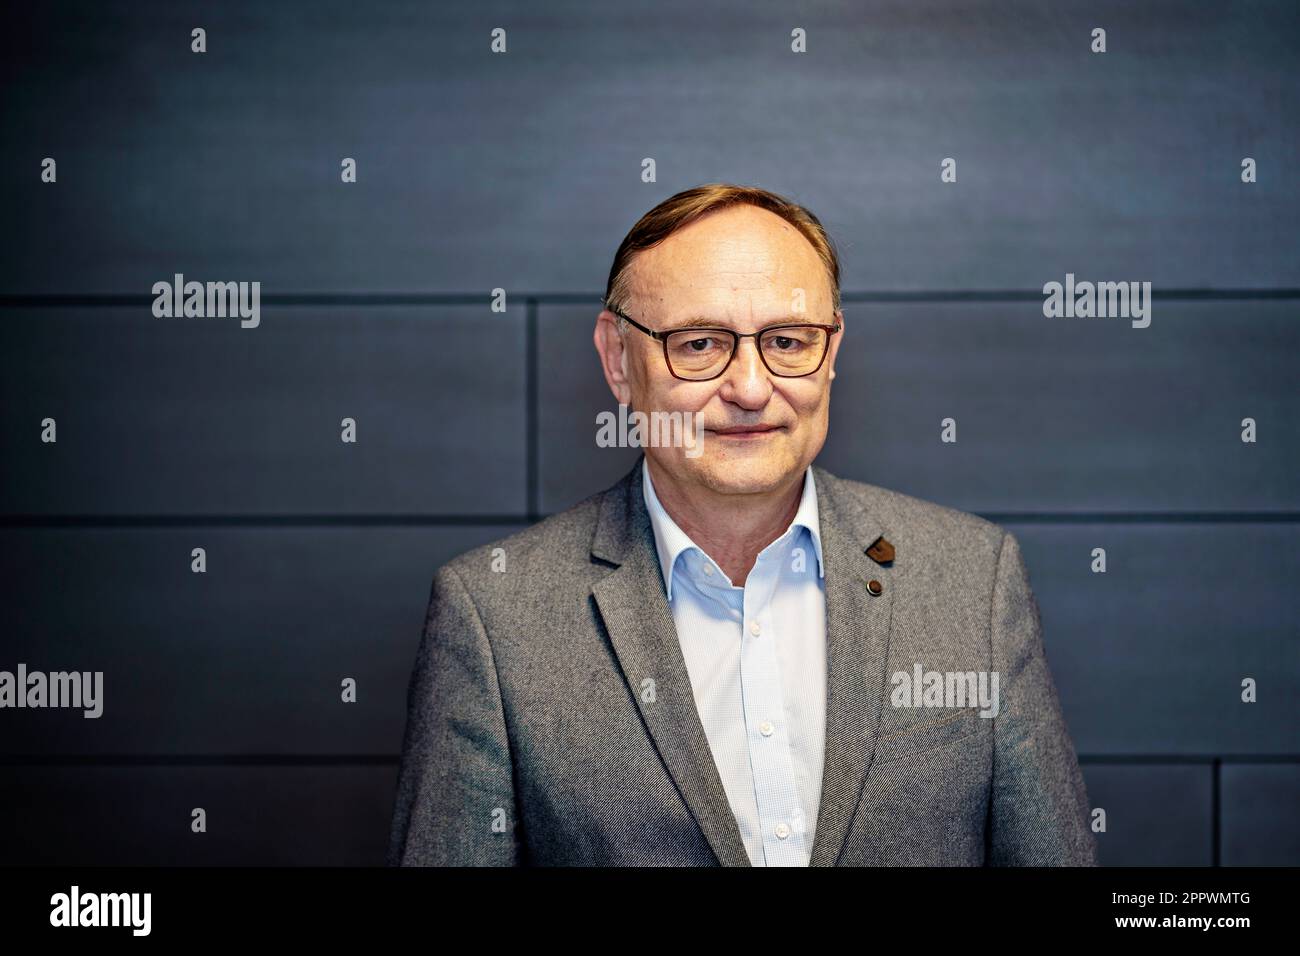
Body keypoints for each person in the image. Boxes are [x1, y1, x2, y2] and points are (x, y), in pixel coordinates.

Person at [388, 183, 1097, 866]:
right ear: (617, 359)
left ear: (833, 350)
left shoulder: (974, 579)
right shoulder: (492, 617)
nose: (752, 388)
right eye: (699, 343)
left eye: (788, 340)